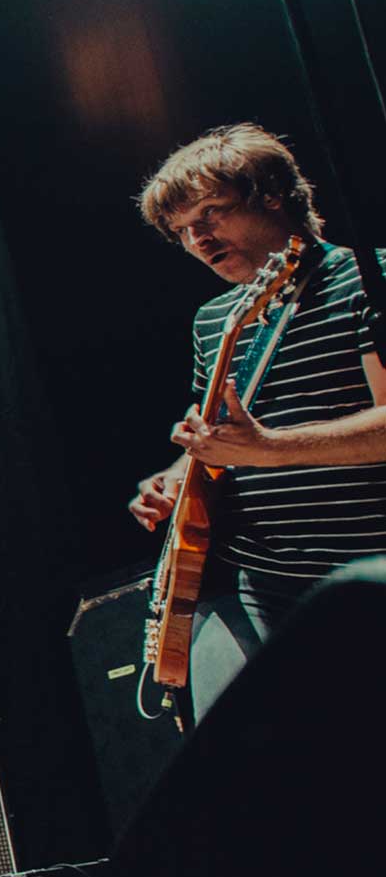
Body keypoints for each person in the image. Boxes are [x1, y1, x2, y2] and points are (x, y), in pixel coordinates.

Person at [125, 124, 385, 720]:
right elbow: (221, 437)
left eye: (210, 213)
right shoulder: (214, 320)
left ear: (273, 195)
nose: (199, 239)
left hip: (366, 576)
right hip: (260, 584)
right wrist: (175, 477)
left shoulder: (367, 280)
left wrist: (268, 448)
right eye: (182, 230)